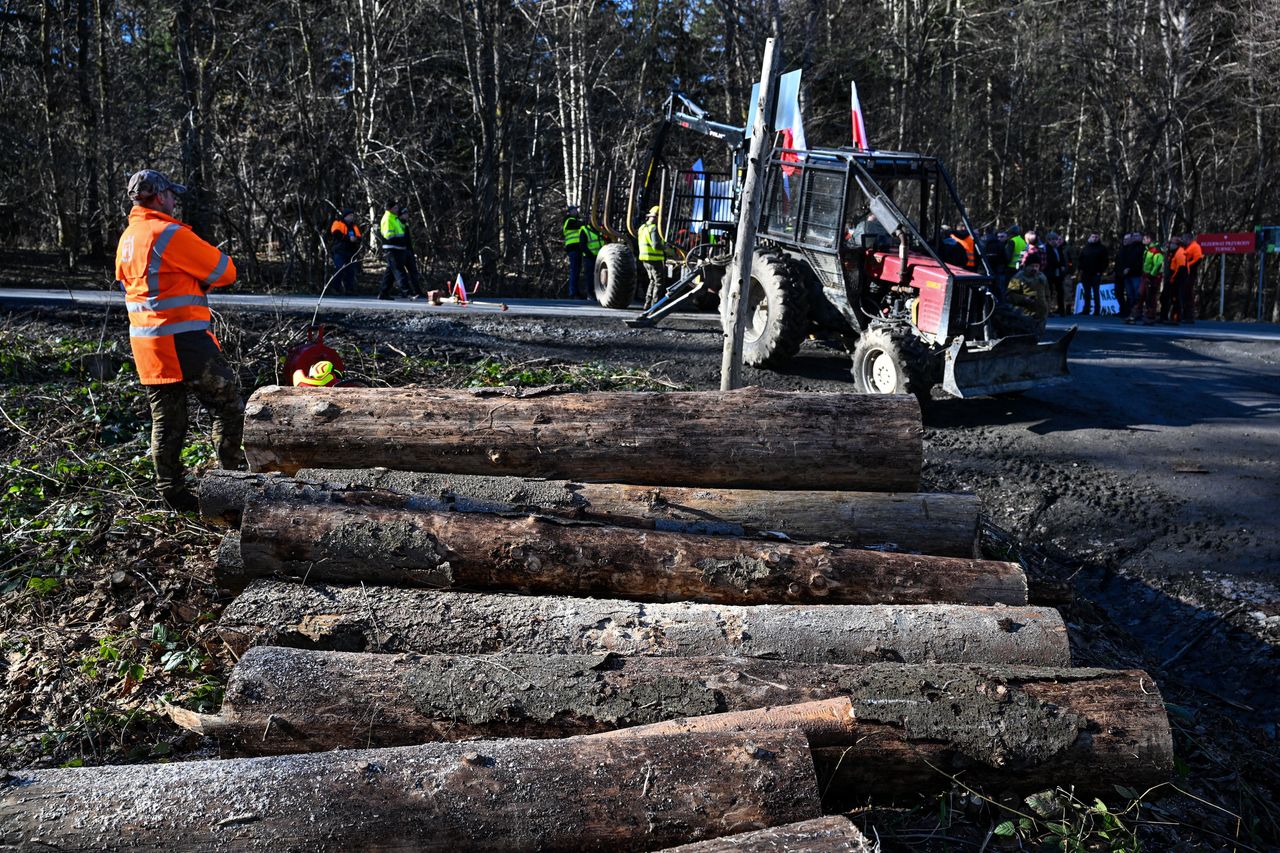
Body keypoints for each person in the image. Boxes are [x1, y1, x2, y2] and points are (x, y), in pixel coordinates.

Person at [114, 169, 245, 512]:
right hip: (184, 339)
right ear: (159, 197)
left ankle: (172, 492)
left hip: (147, 345)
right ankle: (230, 485)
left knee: (167, 421)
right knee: (228, 406)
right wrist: (198, 280)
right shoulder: (168, 234)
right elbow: (226, 271)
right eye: (172, 195)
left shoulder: (128, 238)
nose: (175, 200)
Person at [377, 201, 423, 300]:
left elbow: (402, 231)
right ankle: (408, 293)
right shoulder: (388, 218)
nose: (397, 209)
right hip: (392, 248)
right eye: (395, 208)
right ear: (390, 209)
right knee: (399, 271)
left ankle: (383, 293)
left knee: (390, 273)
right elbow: (388, 235)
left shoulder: (395, 218)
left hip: (398, 248)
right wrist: (400, 240)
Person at [1005, 253, 1050, 334]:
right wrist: (1024, 299)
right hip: (1025, 315)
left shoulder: (1042, 276)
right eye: (1032, 266)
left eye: (1037, 266)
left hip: (1041, 315)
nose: (1035, 268)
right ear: (1026, 266)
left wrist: (1047, 307)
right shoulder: (1018, 277)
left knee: (1038, 336)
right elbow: (1009, 295)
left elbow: (1047, 294)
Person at [638, 205, 669, 310]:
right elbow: (656, 245)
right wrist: (667, 249)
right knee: (659, 282)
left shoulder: (642, 228)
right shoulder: (654, 228)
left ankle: (647, 303)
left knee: (652, 281)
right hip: (654, 259)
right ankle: (655, 305)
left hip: (645, 259)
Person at [1129, 233, 1163, 325]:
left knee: (1150, 297)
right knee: (1140, 295)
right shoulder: (1147, 250)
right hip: (1145, 276)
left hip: (1152, 277)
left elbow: (1158, 264)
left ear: (1149, 239)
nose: (1142, 240)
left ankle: (1150, 316)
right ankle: (1136, 313)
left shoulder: (1156, 250)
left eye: (1144, 238)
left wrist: (1152, 275)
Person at [328, 208, 362, 295]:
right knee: (339, 269)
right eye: (350, 215)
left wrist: (355, 239)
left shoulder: (354, 226)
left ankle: (349, 290)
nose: (352, 217)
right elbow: (336, 234)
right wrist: (348, 238)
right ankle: (335, 288)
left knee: (351, 271)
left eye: (353, 216)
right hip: (339, 251)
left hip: (351, 252)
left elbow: (359, 237)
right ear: (345, 216)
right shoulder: (337, 223)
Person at [1077, 231, 1109, 316]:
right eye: (1093, 237)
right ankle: (1086, 309)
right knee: (1086, 293)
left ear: (1099, 238)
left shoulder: (1102, 248)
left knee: (1096, 292)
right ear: (1090, 237)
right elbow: (1080, 259)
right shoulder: (1085, 247)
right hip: (1086, 273)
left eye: (1096, 237)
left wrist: (1100, 271)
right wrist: (1080, 269)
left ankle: (1097, 310)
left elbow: (1105, 261)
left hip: (1096, 273)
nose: (1094, 238)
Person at [1114, 233, 1144, 320]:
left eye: (1137, 236)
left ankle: (1135, 312)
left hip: (1135, 274)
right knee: (1129, 295)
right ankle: (1129, 312)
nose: (1126, 240)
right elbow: (1121, 261)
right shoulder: (1126, 248)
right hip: (1125, 274)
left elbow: (1138, 262)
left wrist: (1129, 269)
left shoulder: (1141, 248)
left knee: (1136, 294)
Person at [1041, 231, 1069, 316]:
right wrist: (1059, 265)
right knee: (1049, 292)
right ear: (1048, 240)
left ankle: (1061, 310)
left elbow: (1062, 259)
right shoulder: (1045, 248)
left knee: (1060, 291)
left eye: (1055, 239)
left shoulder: (1058, 248)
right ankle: (1047, 310)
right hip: (1049, 272)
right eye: (1051, 240)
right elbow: (1050, 260)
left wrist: (1063, 266)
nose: (1053, 241)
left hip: (1058, 273)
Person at [1180, 232, 1203, 323]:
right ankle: (1184, 315)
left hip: (1190, 273)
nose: (1183, 240)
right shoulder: (1187, 247)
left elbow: (1198, 259)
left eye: (1184, 238)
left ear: (1189, 238)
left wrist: (1188, 265)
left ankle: (1189, 316)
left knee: (1188, 294)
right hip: (1185, 273)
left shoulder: (1195, 246)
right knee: (1184, 294)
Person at [578, 219, 604, 301]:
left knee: (600, 276)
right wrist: (591, 255)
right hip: (589, 257)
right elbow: (582, 245)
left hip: (600, 257)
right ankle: (590, 293)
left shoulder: (600, 229)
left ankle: (598, 293)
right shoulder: (585, 230)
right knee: (590, 276)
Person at [563, 206, 585, 298]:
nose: (576, 211)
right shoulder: (570, 220)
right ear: (570, 212)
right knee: (574, 271)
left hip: (576, 249)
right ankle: (573, 292)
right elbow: (580, 225)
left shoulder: (572, 220)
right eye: (574, 210)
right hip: (573, 249)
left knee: (576, 271)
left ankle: (575, 291)